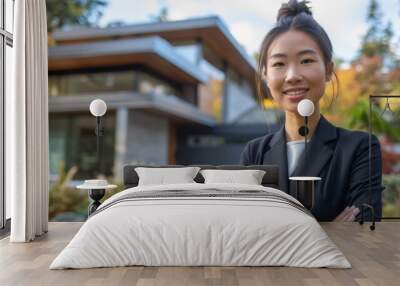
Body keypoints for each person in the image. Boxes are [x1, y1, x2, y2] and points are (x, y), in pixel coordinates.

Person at [240, 0, 384, 221]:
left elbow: (363, 233)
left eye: (306, 60)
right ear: (267, 77)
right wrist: (331, 231)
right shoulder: (255, 153)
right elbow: (243, 229)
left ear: (328, 70)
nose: (292, 75)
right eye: (279, 64)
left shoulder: (360, 149)